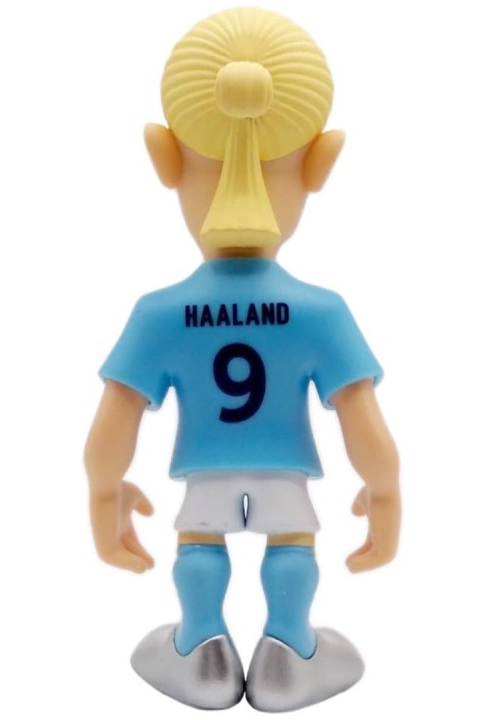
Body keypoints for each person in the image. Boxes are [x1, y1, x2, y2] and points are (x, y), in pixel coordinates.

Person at [83, 7, 401, 712]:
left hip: (205, 469)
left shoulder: (159, 314)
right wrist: (385, 493)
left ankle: (201, 648)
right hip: (286, 470)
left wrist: (106, 496)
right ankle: (290, 649)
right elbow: (364, 425)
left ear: (164, 158)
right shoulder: (321, 312)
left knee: (199, 546)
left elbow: (111, 428)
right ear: (320, 165)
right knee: (293, 546)